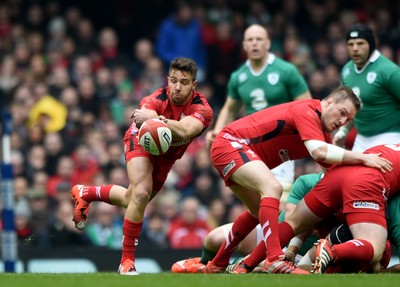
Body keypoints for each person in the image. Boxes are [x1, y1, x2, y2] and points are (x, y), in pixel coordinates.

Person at [202, 86, 392, 274]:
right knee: (272, 188)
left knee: (256, 210)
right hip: (230, 143)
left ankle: (217, 263)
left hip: (235, 151)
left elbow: (336, 173)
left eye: (348, 119)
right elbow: (319, 151)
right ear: (329, 102)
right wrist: (364, 157)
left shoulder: (320, 134)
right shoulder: (307, 112)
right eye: (342, 113)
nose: (342, 121)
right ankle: (274, 259)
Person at [70, 57, 213, 275]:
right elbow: (144, 114)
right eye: (173, 80)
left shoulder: (202, 108)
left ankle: (86, 192)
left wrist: (157, 120)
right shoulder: (154, 98)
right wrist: (151, 117)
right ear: (168, 79)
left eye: (183, 82)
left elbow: (186, 130)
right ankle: (126, 262)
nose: (176, 86)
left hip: (167, 157)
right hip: (141, 142)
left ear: (193, 85)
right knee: (141, 194)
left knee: (133, 199)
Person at [206, 24, 312, 209]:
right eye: (250, 40)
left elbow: (307, 106)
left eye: (259, 39)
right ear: (244, 45)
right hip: (251, 144)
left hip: (281, 141)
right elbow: (230, 108)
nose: (255, 43)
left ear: (268, 43)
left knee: (281, 195)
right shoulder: (238, 76)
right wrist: (217, 131)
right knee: (258, 199)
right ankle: (265, 234)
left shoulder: (286, 71)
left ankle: (280, 235)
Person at [275, 143, 400, 274]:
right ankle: (278, 259)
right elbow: (294, 221)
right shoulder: (307, 183)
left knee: (340, 234)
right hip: (308, 245)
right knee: (304, 225)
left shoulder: (359, 184)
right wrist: (291, 252)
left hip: (343, 242)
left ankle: (267, 261)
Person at [171, 172, 324, 273]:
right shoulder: (307, 181)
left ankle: (237, 265)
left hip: (306, 253)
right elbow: (293, 219)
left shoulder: (343, 192)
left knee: (262, 267)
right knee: (214, 238)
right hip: (279, 233)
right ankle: (203, 262)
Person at [333, 23, 400, 152]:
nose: (355, 48)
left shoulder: (389, 71)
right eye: (350, 44)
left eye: (360, 43)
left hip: (391, 138)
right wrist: (343, 131)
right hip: (362, 139)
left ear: (371, 45)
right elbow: (352, 106)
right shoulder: (347, 70)